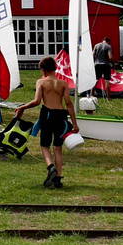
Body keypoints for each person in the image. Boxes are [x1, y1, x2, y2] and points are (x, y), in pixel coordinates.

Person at [15, 56, 77, 188]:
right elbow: (69, 104)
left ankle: (51, 168)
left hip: (47, 114)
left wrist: (23, 107)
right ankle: (58, 179)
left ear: (43, 69)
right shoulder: (63, 84)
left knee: (44, 145)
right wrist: (75, 124)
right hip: (61, 115)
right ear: (54, 68)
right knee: (58, 148)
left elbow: (37, 101)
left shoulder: (41, 82)